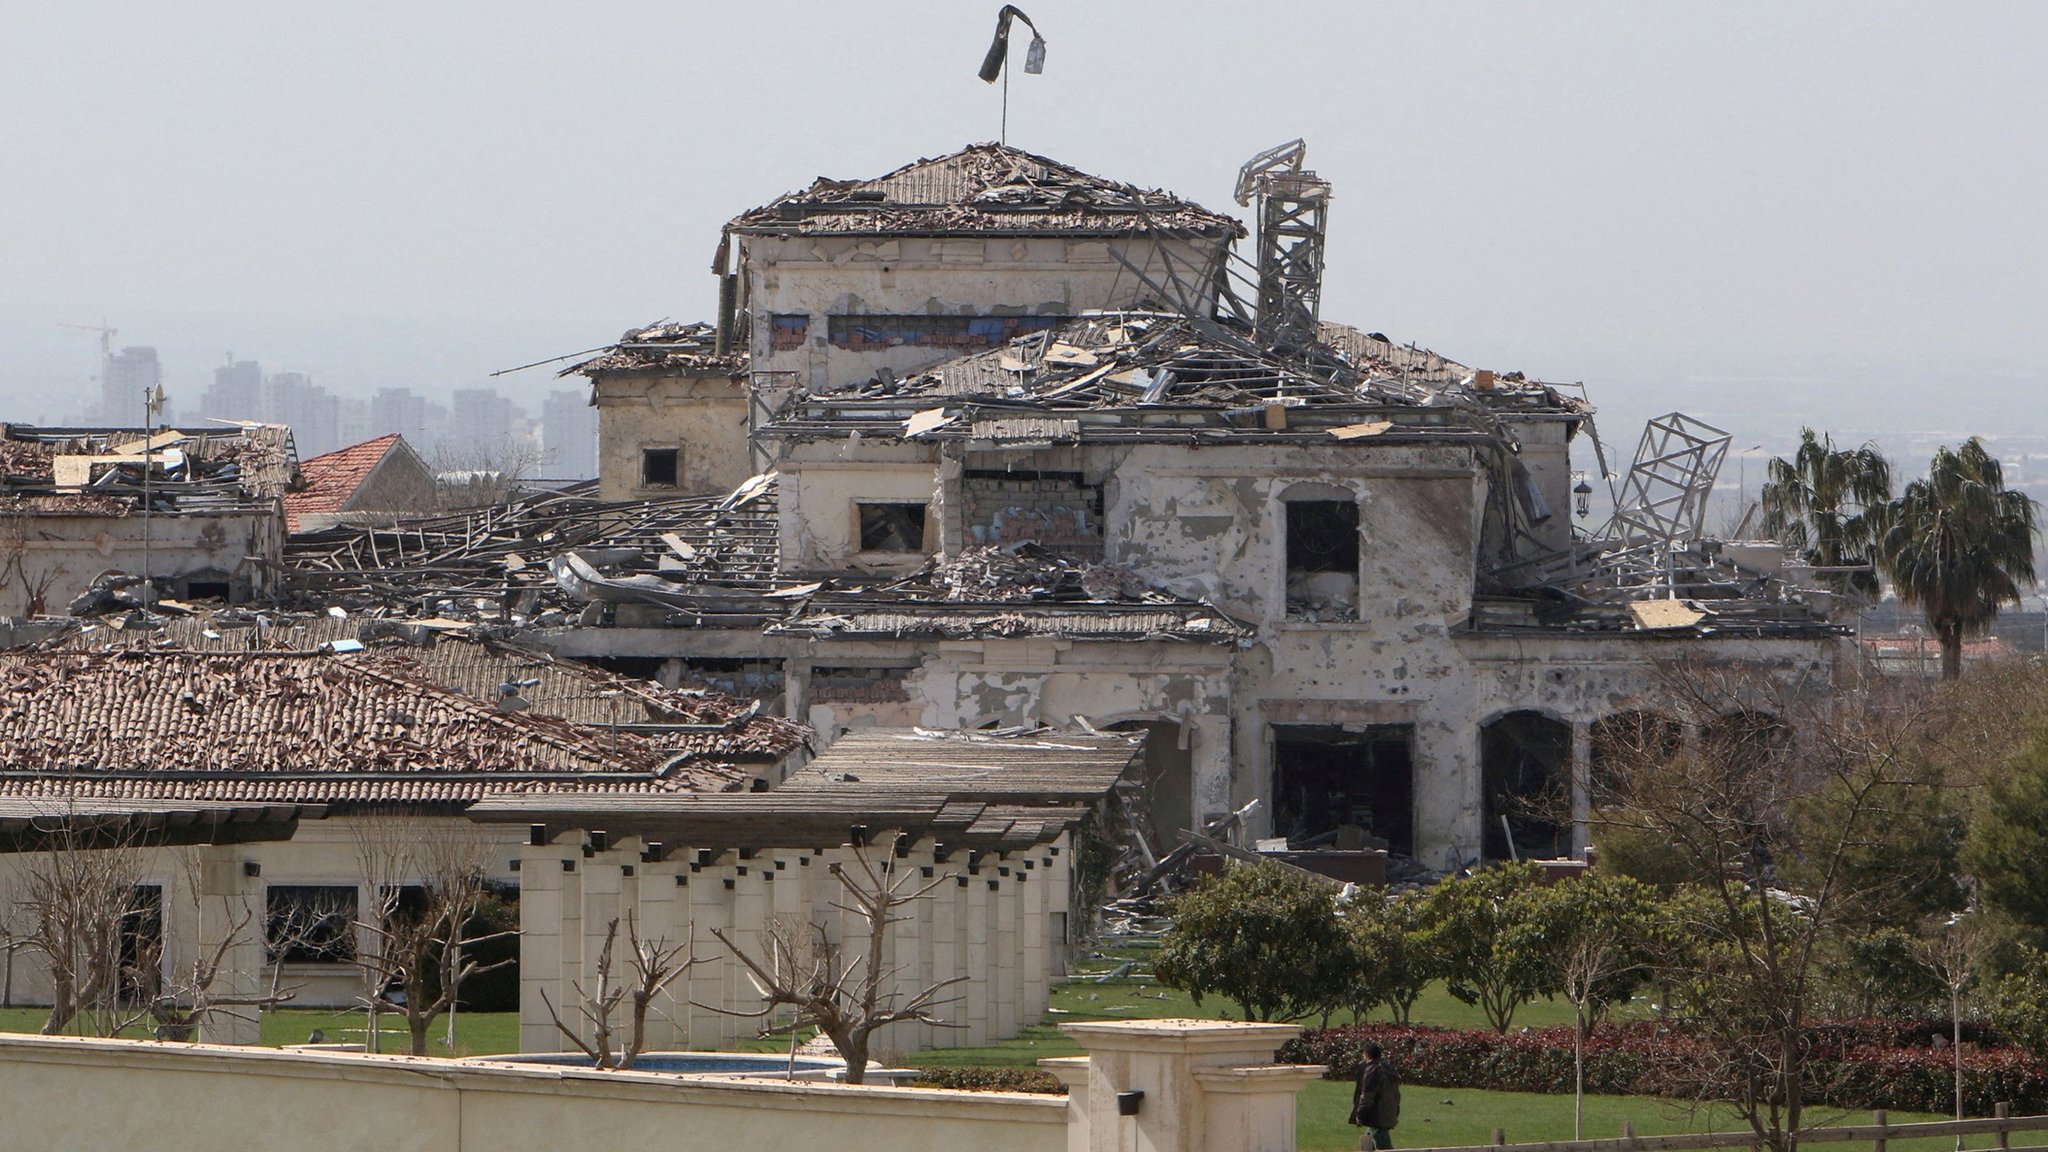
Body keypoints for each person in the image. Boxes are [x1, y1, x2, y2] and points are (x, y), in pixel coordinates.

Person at [1349, 1042, 1401, 1151]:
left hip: (1378, 1115)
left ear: (1367, 1055)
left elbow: (1368, 1094)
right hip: (1389, 1111)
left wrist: (1360, 1113)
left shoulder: (1373, 1070)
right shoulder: (1388, 1068)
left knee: (1383, 1146)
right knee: (1370, 1139)